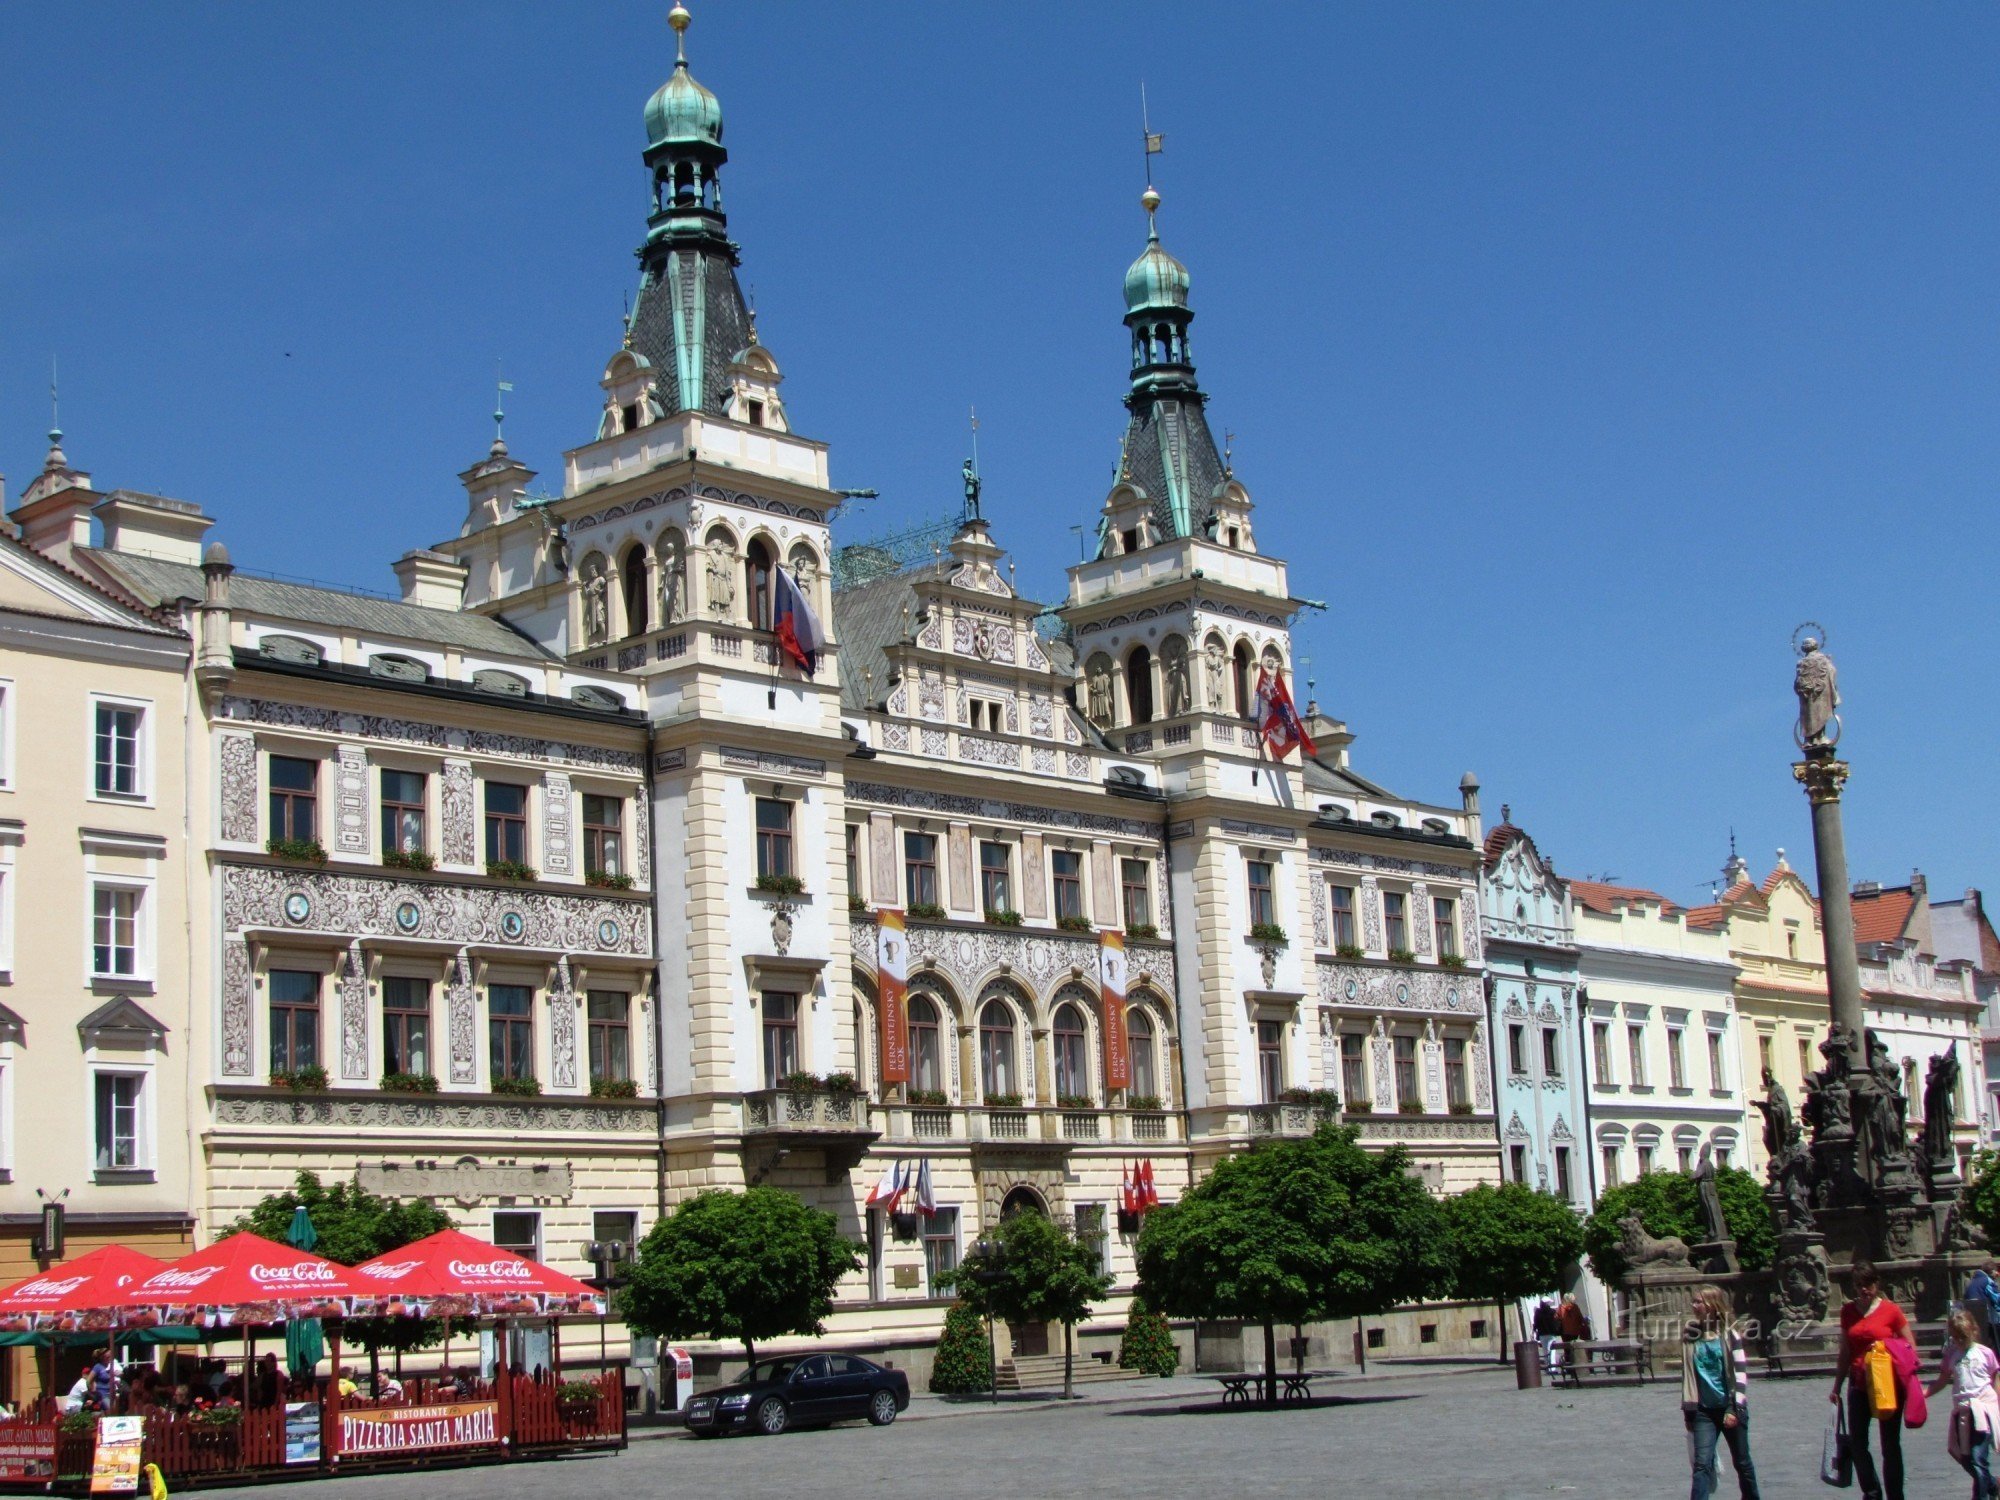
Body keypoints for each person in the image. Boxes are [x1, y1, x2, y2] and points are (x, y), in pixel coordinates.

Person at [1831, 1258, 1911, 1500]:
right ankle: (1872, 1491)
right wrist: (1837, 1385)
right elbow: (1845, 1350)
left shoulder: (1890, 1310)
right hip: (1859, 1383)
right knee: (1857, 1443)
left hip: (1888, 1384)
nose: (1863, 1290)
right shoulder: (1848, 1312)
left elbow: (1908, 1346)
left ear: (1876, 1283)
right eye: (1858, 1285)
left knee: (1890, 1445)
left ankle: (1895, 1495)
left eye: (1867, 1284)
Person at [1682, 1285, 1760, 1500]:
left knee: (1742, 1462)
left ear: (1712, 1305)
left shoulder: (1729, 1334)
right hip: (1703, 1411)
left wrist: (1735, 1407)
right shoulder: (1691, 1335)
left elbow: (1740, 1373)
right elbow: (1687, 1375)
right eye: (1694, 1301)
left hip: (1730, 1406)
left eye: (1699, 1301)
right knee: (1701, 1465)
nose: (1694, 1305)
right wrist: (1688, 1410)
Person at [1928, 1309, 2000, 1500]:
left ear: (1973, 1331)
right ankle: (1992, 1484)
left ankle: (1981, 1496)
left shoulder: (1985, 1353)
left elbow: (1995, 1379)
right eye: (1955, 1337)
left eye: (1963, 1337)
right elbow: (1942, 1380)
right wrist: (1923, 1393)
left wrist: (1998, 1406)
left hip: (1983, 1409)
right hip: (1962, 1411)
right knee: (1963, 1455)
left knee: (1978, 1458)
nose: (1959, 1341)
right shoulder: (1952, 1354)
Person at [1969, 1261, 2000, 1354]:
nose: (1997, 1274)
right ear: (1992, 1271)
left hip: (1974, 1316)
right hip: (1987, 1317)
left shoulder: (1973, 1281)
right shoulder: (1987, 1281)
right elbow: (1997, 1299)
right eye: (1996, 1271)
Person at [88, 1348, 118, 1413]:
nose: (110, 1358)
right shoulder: (98, 1367)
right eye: (108, 1357)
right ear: (103, 1358)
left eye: (111, 1356)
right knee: (110, 1411)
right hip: (103, 1394)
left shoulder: (112, 1366)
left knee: (115, 1412)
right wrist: (92, 1392)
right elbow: (88, 1380)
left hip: (112, 1393)